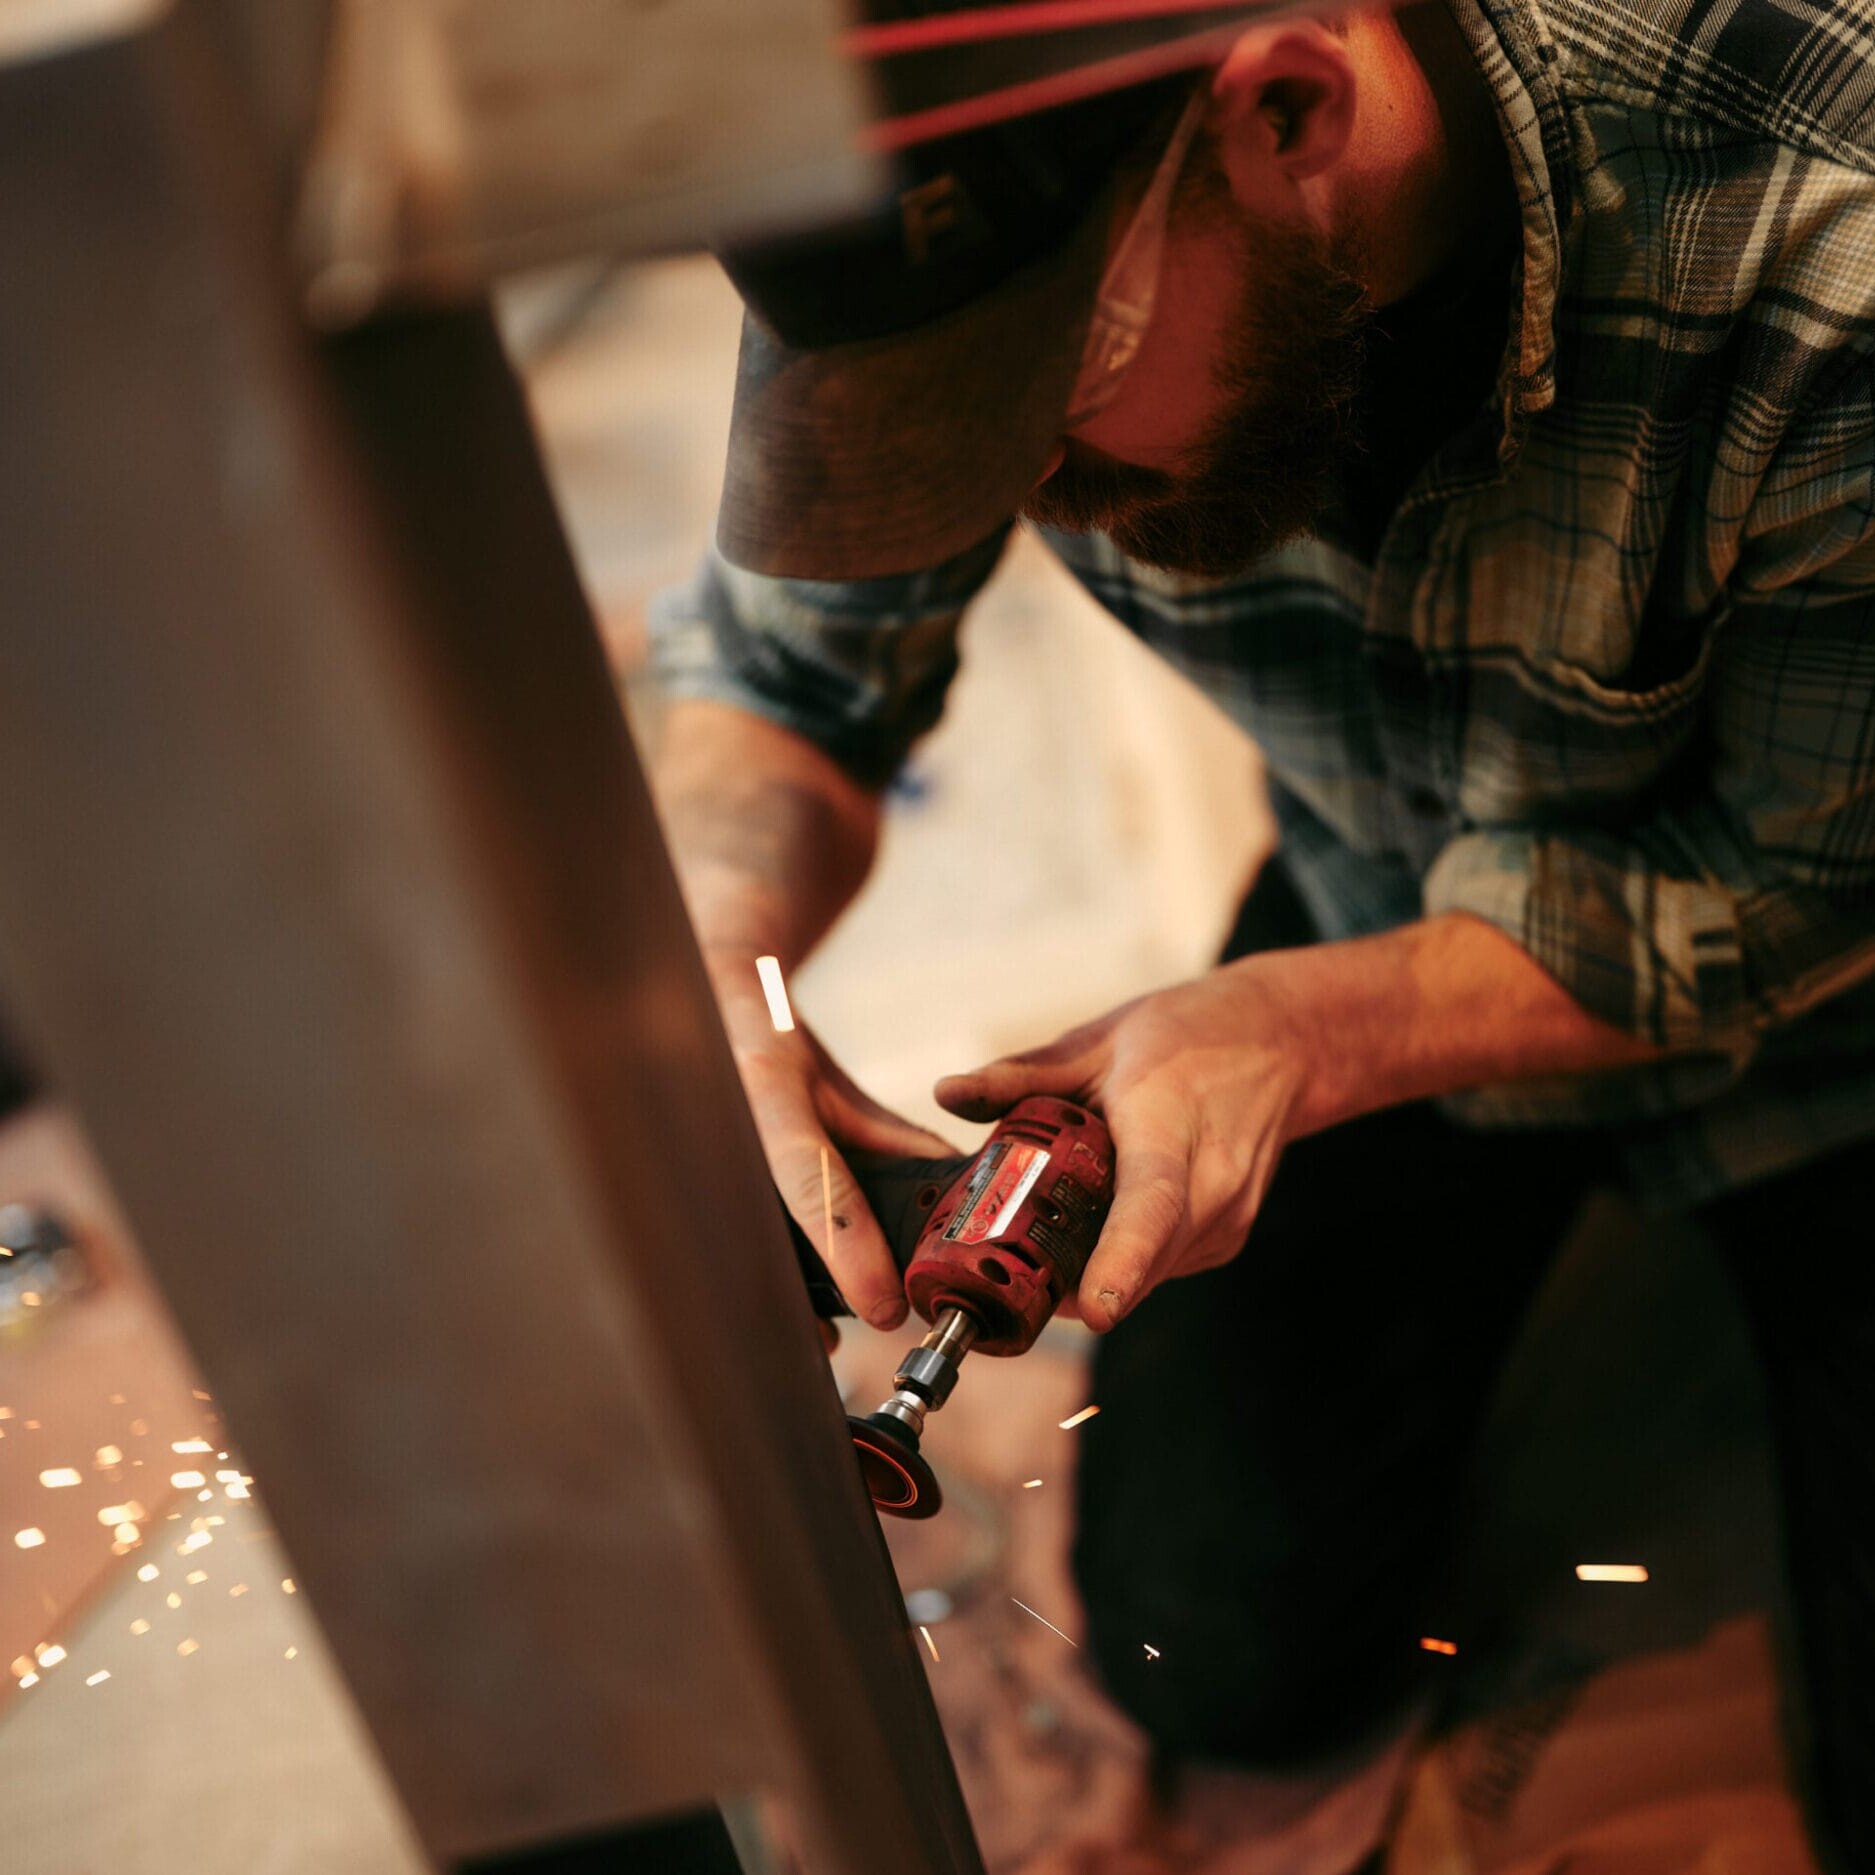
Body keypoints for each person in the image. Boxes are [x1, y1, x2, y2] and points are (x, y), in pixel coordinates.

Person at [646, 0, 1875, 1868]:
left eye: (1047, 388)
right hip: (1391, 885)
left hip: (1835, 1002)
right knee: (1219, 1649)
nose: (1013, 478)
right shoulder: (955, 203)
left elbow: (1798, 885)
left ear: (1289, 110)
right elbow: (783, 686)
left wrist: (1308, 1034)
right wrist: (731, 986)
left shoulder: (1834, 245)